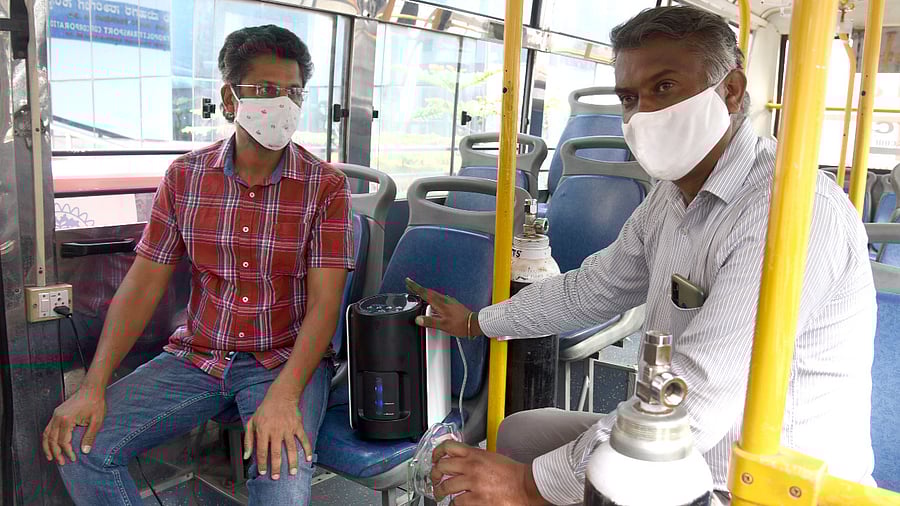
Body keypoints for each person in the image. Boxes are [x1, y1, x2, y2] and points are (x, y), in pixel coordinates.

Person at [407, 5, 875, 505]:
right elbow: (594, 286)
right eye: (630, 98)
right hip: (689, 445)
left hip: (755, 479)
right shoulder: (671, 197)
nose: (644, 113)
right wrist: (481, 321)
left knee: (526, 477)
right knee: (522, 433)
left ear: (731, 91)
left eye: (665, 87)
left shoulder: (789, 212)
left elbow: (697, 394)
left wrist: (526, 485)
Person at [43, 25, 354, 506]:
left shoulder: (325, 187)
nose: (284, 105)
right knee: (79, 445)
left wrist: (286, 394)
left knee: (283, 489)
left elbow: (325, 305)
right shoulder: (185, 177)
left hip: (283, 360)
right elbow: (142, 285)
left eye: (294, 92)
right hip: (200, 356)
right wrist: (94, 385)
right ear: (230, 99)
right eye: (267, 91)